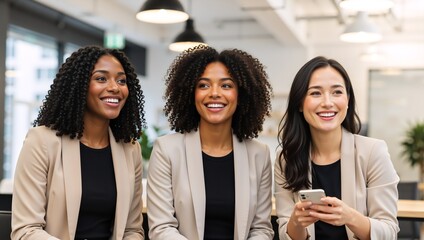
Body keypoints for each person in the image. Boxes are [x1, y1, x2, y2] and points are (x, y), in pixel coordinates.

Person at [11, 45, 146, 240]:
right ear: (79, 86)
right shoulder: (42, 141)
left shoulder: (129, 149)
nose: (115, 87)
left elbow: (131, 230)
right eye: (101, 78)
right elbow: (26, 230)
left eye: (121, 80)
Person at [147, 45, 274, 240]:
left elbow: (261, 229)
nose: (214, 93)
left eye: (226, 85)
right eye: (203, 85)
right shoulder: (167, 150)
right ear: (191, 93)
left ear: (241, 95)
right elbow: (162, 228)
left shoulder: (259, 154)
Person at [274, 56, 399, 240]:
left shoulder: (373, 152)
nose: (327, 102)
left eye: (337, 92)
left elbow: (389, 232)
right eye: (315, 93)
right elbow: (286, 234)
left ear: (348, 101)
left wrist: (350, 217)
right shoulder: (285, 159)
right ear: (300, 103)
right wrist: (296, 222)